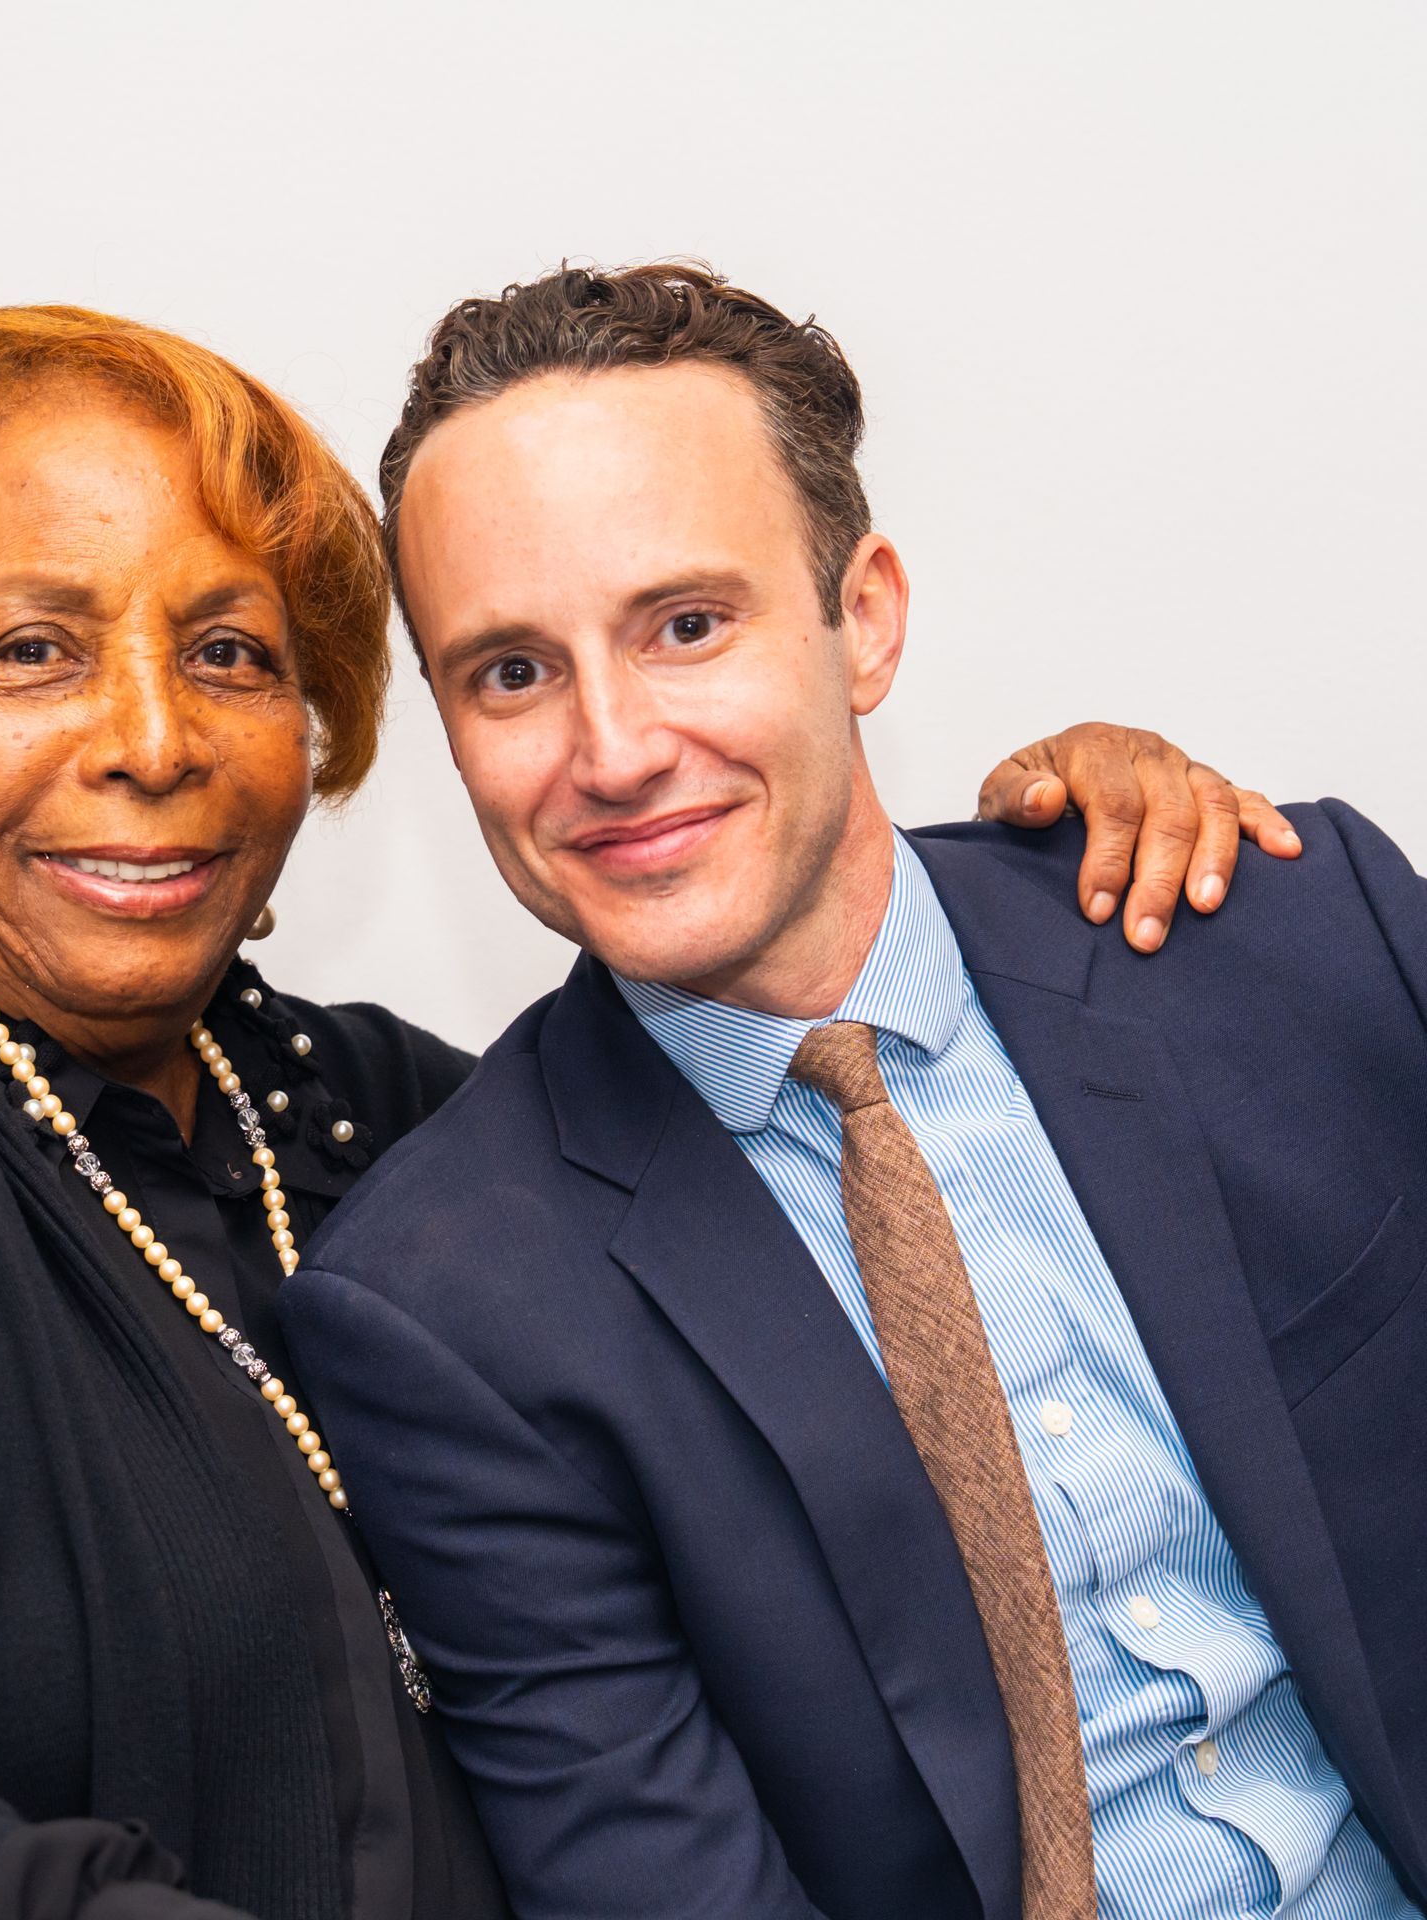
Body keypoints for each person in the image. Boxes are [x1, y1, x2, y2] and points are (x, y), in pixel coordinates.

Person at [0, 300, 1253, 1920]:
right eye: (34, 650)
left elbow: (844, 1160)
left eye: (232, 654)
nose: (154, 737)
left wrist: (1038, 895)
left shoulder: (357, 1111)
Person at [280, 264, 1427, 1920]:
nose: (611, 751)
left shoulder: (1286, 936)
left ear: (863, 616)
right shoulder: (446, 1315)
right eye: (511, 672)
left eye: (686, 625)